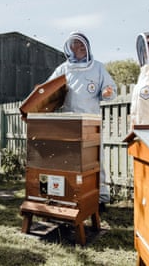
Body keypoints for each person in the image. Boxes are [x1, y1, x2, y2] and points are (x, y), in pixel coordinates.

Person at [48, 31, 116, 211]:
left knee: (95, 160)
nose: (78, 48)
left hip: (91, 120)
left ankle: (100, 197)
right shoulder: (63, 69)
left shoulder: (98, 68)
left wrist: (107, 92)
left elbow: (109, 88)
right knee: (71, 161)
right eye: (74, 45)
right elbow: (49, 88)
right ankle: (74, 194)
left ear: (87, 47)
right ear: (70, 48)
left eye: (81, 45)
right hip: (70, 121)